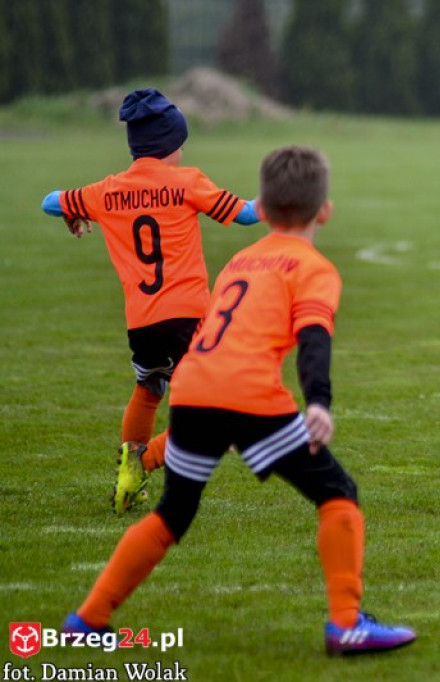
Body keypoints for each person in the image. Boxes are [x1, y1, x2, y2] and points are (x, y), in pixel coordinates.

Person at [61, 145, 417, 656]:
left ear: (264, 211)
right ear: (324, 212)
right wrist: (318, 402)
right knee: (338, 493)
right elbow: (314, 338)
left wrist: (222, 421)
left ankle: (88, 618)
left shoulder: (239, 260)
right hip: (247, 392)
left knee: (172, 514)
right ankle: (346, 623)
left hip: (193, 388)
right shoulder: (314, 267)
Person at [41, 88, 260, 515]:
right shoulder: (187, 182)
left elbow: (49, 201)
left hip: (141, 322)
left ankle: (126, 476)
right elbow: (247, 214)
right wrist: (284, 198)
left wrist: (73, 212)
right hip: (187, 317)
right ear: (171, 144)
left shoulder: (107, 191)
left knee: (149, 388)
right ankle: (145, 462)